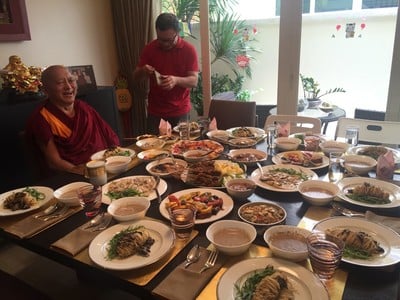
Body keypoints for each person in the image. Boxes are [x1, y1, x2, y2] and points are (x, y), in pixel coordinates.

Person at [25, 65, 120, 176]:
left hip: (106, 167)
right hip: (74, 175)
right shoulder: (42, 118)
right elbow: (54, 162)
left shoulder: (83, 108)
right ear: (46, 90)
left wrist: (117, 159)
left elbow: (109, 136)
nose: (69, 87)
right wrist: (87, 173)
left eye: (71, 80)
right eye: (60, 83)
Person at [133, 12, 199, 134]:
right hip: (155, 112)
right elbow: (136, 77)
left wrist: (176, 80)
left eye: (168, 40)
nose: (164, 44)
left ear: (177, 33)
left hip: (180, 111)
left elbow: (194, 81)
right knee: (153, 150)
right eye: (160, 39)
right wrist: (143, 71)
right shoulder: (150, 49)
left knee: (181, 148)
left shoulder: (189, 50)